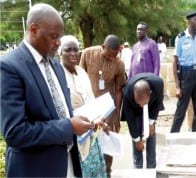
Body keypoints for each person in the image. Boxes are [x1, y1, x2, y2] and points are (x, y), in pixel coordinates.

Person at [0, 3, 95, 177]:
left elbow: (60, 113)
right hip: (35, 170)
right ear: (33, 29)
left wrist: (86, 119)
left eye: (60, 36)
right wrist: (68, 126)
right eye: (54, 36)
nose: (59, 43)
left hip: (67, 165)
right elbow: (15, 132)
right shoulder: (10, 67)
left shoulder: (56, 66)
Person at [58, 35, 108, 178]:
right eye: (68, 50)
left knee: (96, 170)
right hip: (75, 135)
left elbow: (91, 99)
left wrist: (99, 116)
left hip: (91, 132)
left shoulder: (81, 72)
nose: (73, 53)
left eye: (76, 49)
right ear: (60, 52)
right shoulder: (58, 75)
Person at [80, 34, 126, 178]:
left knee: (107, 144)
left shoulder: (119, 63)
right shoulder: (87, 54)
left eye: (114, 56)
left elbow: (118, 90)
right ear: (103, 46)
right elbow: (79, 78)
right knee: (90, 143)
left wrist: (117, 115)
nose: (111, 58)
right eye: (108, 55)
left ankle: (107, 172)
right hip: (89, 108)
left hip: (108, 110)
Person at [170, 11, 196, 141]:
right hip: (185, 76)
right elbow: (174, 62)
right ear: (189, 21)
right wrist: (177, 86)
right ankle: (173, 139)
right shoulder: (180, 38)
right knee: (181, 110)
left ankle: (195, 139)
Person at [121, 73, 164, 168]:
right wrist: (137, 140)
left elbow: (157, 103)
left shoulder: (158, 84)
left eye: (143, 103)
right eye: (138, 102)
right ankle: (138, 168)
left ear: (150, 93)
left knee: (151, 133)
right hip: (133, 111)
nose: (141, 105)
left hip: (151, 106)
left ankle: (151, 167)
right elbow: (130, 120)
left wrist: (151, 122)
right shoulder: (127, 93)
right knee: (137, 141)